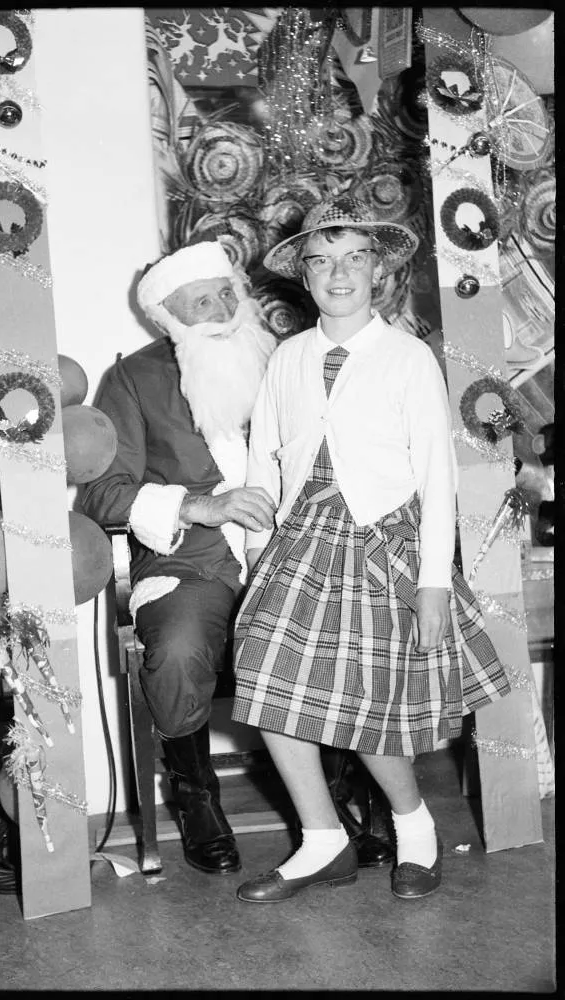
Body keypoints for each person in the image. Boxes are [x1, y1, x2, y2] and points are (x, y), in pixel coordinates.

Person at [230, 196, 512, 903]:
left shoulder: (407, 358)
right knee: (265, 680)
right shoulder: (287, 359)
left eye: (354, 258)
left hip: (381, 542)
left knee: (364, 701)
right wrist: (260, 539)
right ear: (304, 275)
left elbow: (435, 474)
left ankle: (414, 828)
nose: (338, 273)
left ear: (379, 270)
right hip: (301, 540)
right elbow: (265, 457)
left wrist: (433, 583)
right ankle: (324, 839)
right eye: (321, 261)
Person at [83, 239, 394, 877]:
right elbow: (102, 494)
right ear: (168, 316)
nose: (224, 309)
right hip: (191, 561)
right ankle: (196, 795)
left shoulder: (288, 358)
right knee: (176, 648)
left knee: (335, 634)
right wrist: (201, 506)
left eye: (229, 292)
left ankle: (335, 798)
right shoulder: (132, 379)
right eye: (203, 302)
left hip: (293, 551)